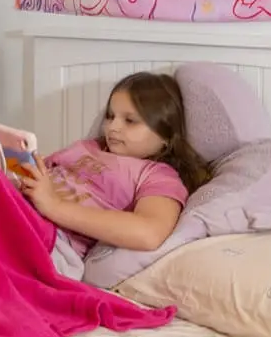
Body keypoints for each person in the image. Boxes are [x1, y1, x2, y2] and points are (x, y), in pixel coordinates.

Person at [17, 72, 211, 279]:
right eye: (110, 116)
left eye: (130, 121)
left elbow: (149, 232)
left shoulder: (157, 175)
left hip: (54, 242)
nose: (113, 127)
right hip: (20, 209)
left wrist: (55, 206)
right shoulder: (87, 147)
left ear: (165, 135)